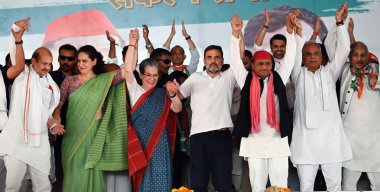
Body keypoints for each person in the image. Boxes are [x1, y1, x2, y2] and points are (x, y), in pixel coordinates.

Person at [230, 12, 298, 191]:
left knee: (280, 187)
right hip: (254, 142)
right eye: (260, 64)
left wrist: (290, 33)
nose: (264, 67)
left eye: (268, 64)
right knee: (258, 187)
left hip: (277, 141)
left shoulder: (279, 78)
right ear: (252, 65)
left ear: (272, 65)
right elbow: (235, 61)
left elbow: (290, 58)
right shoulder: (245, 78)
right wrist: (235, 34)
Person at [290, 3, 352, 192]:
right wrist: (297, 33)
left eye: (316, 53)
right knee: (306, 187)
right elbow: (293, 57)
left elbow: (344, 51)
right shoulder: (298, 75)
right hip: (306, 144)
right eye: (307, 54)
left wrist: (340, 23)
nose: (312, 57)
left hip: (331, 143)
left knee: (334, 187)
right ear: (303, 58)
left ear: (322, 56)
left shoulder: (330, 72)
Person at [52, 44, 128, 192]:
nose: (81, 64)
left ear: (94, 61)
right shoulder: (69, 81)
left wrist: (133, 43)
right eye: (79, 61)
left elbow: (128, 70)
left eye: (85, 61)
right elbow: (58, 105)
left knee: (94, 173)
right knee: (73, 174)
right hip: (72, 135)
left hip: (95, 134)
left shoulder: (104, 80)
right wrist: (56, 117)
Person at [0, 18, 63, 192]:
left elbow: (46, 115)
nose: (48, 68)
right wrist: (17, 35)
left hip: (40, 143)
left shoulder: (52, 87)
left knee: (43, 186)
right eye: (44, 63)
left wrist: (54, 126)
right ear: (33, 62)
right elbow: (16, 58)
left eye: (50, 64)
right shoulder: (23, 74)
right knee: (12, 186)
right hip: (17, 142)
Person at [125, 29, 182, 192]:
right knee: (142, 183)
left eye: (155, 75)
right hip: (140, 145)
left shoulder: (162, 93)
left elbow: (177, 109)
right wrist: (132, 43)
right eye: (148, 75)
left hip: (160, 146)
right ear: (141, 76)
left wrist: (172, 94)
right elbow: (128, 70)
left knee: (162, 181)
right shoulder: (135, 91)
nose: (152, 79)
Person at [338, 42, 380, 190]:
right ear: (349, 57)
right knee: (348, 185)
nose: (359, 59)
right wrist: (347, 33)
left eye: (363, 55)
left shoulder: (376, 70)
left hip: (375, 141)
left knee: (378, 184)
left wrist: (376, 78)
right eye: (355, 55)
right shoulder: (343, 71)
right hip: (351, 138)